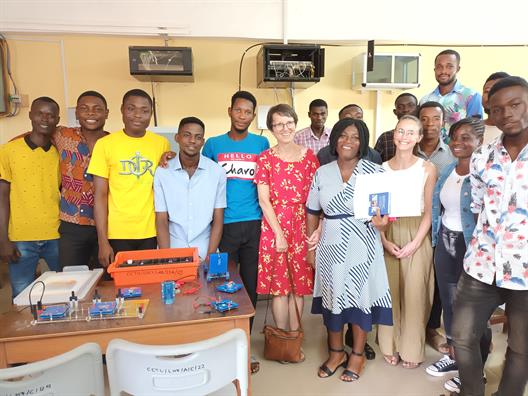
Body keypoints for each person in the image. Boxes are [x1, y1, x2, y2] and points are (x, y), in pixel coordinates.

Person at [452, 76, 528, 396]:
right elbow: (478, 205)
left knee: (522, 348)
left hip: (525, 271)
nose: (507, 113)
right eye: (498, 109)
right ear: (491, 115)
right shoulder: (482, 157)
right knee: (462, 337)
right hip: (482, 265)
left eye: (515, 105)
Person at [307, 118, 392, 382]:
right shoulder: (322, 172)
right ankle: (336, 353)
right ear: (335, 140)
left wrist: (382, 222)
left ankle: (356, 355)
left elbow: (383, 217)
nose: (348, 141)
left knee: (359, 300)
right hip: (330, 244)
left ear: (362, 143)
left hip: (362, 244)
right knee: (332, 300)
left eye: (355, 137)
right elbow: (312, 211)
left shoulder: (374, 172)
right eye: (343, 135)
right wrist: (311, 246)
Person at [202, 90, 270, 374]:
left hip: (254, 223)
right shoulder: (213, 144)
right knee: (222, 285)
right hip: (223, 226)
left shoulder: (262, 142)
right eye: (238, 110)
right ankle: (223, 344)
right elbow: (199, 172)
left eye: (248, 112)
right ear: (230, 111)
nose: (243, 116)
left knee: (251, 288)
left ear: (253, 116)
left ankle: (244, 345)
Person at [427, 118, 492, 394]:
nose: (458, 142)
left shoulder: (484, 174)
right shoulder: (449, 170)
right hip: (445, 243)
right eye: (454, 137)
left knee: (475, 312)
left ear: (480, 142)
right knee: (451, 305)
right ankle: (455, 357)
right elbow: (440, 209)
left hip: (471, 247)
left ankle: (477, 372)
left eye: (466, 138)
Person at [255, 104, 318, 356]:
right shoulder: (265, 159)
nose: (285, 128)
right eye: (279, 124)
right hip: (275, 225)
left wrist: (318, 228)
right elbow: (263, 199)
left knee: (298, 288)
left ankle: (295, 340)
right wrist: (279, 234)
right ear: (271, 128)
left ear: (295, 123)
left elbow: (317, 198)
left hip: (303, 224)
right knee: (279, 288)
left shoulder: (309, 158)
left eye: (289, 122)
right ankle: (281, 341)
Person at [377, 115, 437, 369]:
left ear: (419, 137)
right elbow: (376, 210)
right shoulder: (382, 168)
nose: (405, 136)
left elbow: (429, 212)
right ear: (394, 134)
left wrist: (415, 243)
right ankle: (389, 345)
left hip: (417, 232)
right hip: (387, 230)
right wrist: (383, 239)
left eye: (411, 132)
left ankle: (412, 349)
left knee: (415, 294)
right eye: (401, 131)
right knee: (388, 293)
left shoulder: (427, 168)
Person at [88, 89, 170, 268]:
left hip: (150, 232)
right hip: (117, 233)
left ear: (151, 114)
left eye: (144, 110)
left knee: (150, 289)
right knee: (120, 290)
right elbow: (100, 195)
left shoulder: (161, 143)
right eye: (131, 109)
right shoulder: (105, 144)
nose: (138, 115)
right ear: (122, 110)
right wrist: (103, 241)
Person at [0, 97, 61, 298]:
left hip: (56, 234)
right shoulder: (9, 151)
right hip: (20, 238)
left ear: (57, 120)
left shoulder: (59, 154)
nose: (45, 118)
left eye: (51, 115)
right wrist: (3, 240)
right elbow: (2, 198)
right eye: (40, 113)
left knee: (66, 290)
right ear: (30, 115)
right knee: (22, 296)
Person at [154, 116, 226, 260]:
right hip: (173, 247)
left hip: (205, 247)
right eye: (187, 135)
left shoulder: (217, 172)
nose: (192, 141)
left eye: (198, 137)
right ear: (177, 137)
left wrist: (210, 256)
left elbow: (218, 218)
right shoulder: (163, 172)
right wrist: (166, 256)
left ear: (203, 142)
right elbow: (161, 218)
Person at [55, 91, 109, 269]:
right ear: (76, 113)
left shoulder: (114, 143)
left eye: (97, 109)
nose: (91, 113)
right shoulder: (62, 135)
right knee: (72, 279)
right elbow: (33, 136)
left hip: (108, 224)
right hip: (72, 224)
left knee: (106, 279)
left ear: (107, 113)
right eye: (84, 109)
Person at [420, 49, 483, 141]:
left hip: (458, 153)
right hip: (429, 154)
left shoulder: (471, 96)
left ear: (457, 69)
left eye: (449, 67)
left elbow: (475, 132)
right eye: (439, 67)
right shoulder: (425, 100)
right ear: (434, 70)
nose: (443, 71)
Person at [318, 106, 382, 165]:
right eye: (348, 117)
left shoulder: (374, 156)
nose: (353, 121)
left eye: (358, 117)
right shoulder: (324, 154)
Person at [375, 93, 418, 162]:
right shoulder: (385, 138)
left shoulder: (425, 136)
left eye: (410, 105)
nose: (406, 110)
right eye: (400, 107)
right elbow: (374, 166)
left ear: (417, 108)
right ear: (395, 112)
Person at [416, 101, 455, 174]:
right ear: (418, 123)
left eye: (436, 119)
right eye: (424, 119)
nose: (430, 123)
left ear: (443, 123)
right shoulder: (408, 152)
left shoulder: (453, 155)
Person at [481, 72, 510, 144]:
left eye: (496, 91)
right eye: (487, 91)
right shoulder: (470, 129)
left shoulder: (520, 132)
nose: (490, 96)